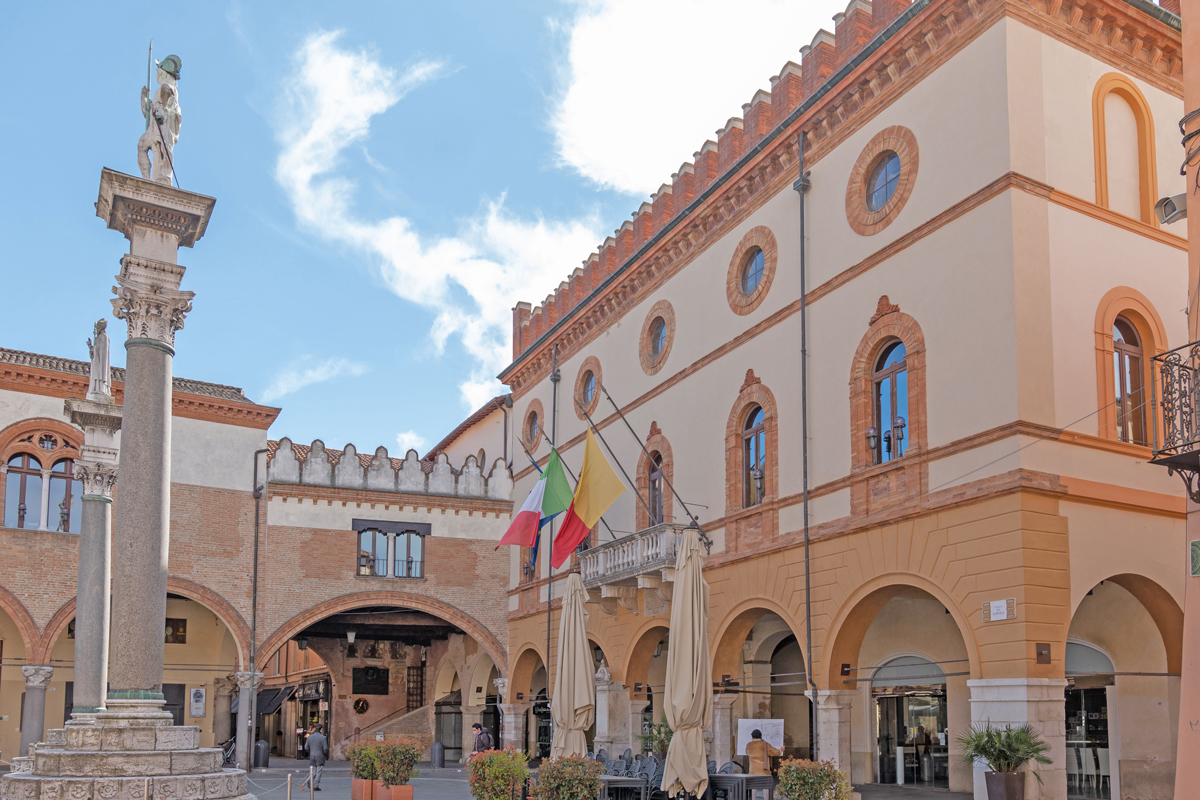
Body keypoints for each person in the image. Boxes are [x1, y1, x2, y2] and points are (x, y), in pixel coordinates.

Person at [300, 724, 328, 791]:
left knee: (314, 770)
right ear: (321, 729)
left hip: (312, 755)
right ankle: (315, 786)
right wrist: (324, 753)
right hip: (320, 756)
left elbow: (306, 747)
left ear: (315, 729)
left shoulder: (310, 737)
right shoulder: (323, 738)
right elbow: (325, 748)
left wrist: (310, 752)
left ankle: (310, 780)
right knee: (318, 771)